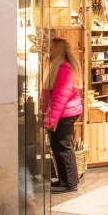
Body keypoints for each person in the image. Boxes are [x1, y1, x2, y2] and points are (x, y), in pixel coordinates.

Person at [41, 37, 83, 194]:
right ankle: (65, 180)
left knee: (63, 146)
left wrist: (50, 118)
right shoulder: (56, 66)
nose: (49, 50)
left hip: (64, 114)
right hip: (62, 113)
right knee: (59, 146)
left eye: (52, 48)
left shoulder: (63, 69)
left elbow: (60, 97)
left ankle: (70, 183)